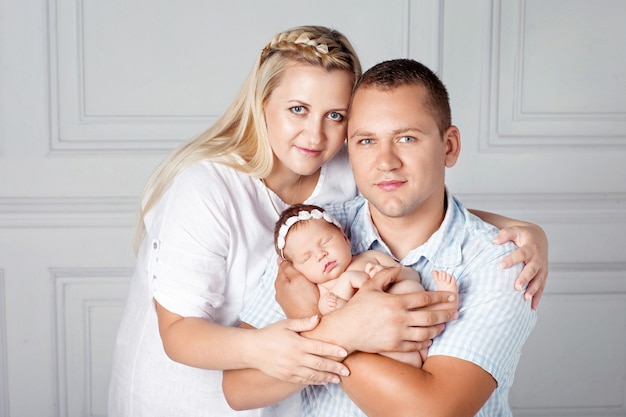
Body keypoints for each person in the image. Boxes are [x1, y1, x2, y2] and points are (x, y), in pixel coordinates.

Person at [107, 23, 546, 416]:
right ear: (262, 103)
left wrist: (522, 231)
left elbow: (407, 200)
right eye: (297, 109)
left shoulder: (340, 171)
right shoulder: (206, 190)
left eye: (335, 116)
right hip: (184, 391)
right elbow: (189, 344)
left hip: (283, 380)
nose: (316, 135)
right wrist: (345, 327)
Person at [223, 58, 540, 417]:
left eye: (406, 138)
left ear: (449, 147)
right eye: (367, 141)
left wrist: (316, 318)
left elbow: (431, 412)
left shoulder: (500, 260)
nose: (385, 161)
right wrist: (347, 329)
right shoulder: (315, 236)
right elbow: (239, 387)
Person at [274, 203, 458, 368]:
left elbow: (411, 274)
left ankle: (447, 303)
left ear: (345, 238)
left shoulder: (370, 257)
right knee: (398, 357)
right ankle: (416, 357)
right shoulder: (325, 291)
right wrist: (347, 284)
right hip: (388, 344)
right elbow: (335, 321)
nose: (321, 255)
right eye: (307, 257)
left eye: (325, 242)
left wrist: (385, 273)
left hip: (415, 320)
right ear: (299, 270)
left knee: (410, 288)